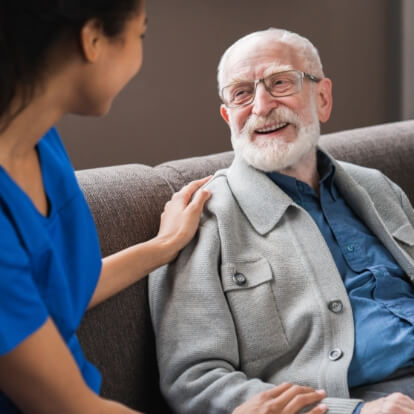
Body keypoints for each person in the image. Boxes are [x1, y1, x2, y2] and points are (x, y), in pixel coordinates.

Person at [149, 27, 414, 414]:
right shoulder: (202, 220)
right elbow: (195, 382)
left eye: (280, 83)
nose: (261, 106)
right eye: (242, 93)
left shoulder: (377, 187)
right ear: (228, 116)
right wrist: (351, 413)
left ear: (322, 98)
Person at [0, 1, 215, 413]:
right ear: (93, 39)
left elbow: (53, 290)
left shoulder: (41, 142)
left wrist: (163, 246)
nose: (141, 54)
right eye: (141, 35)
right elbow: (72, 407)